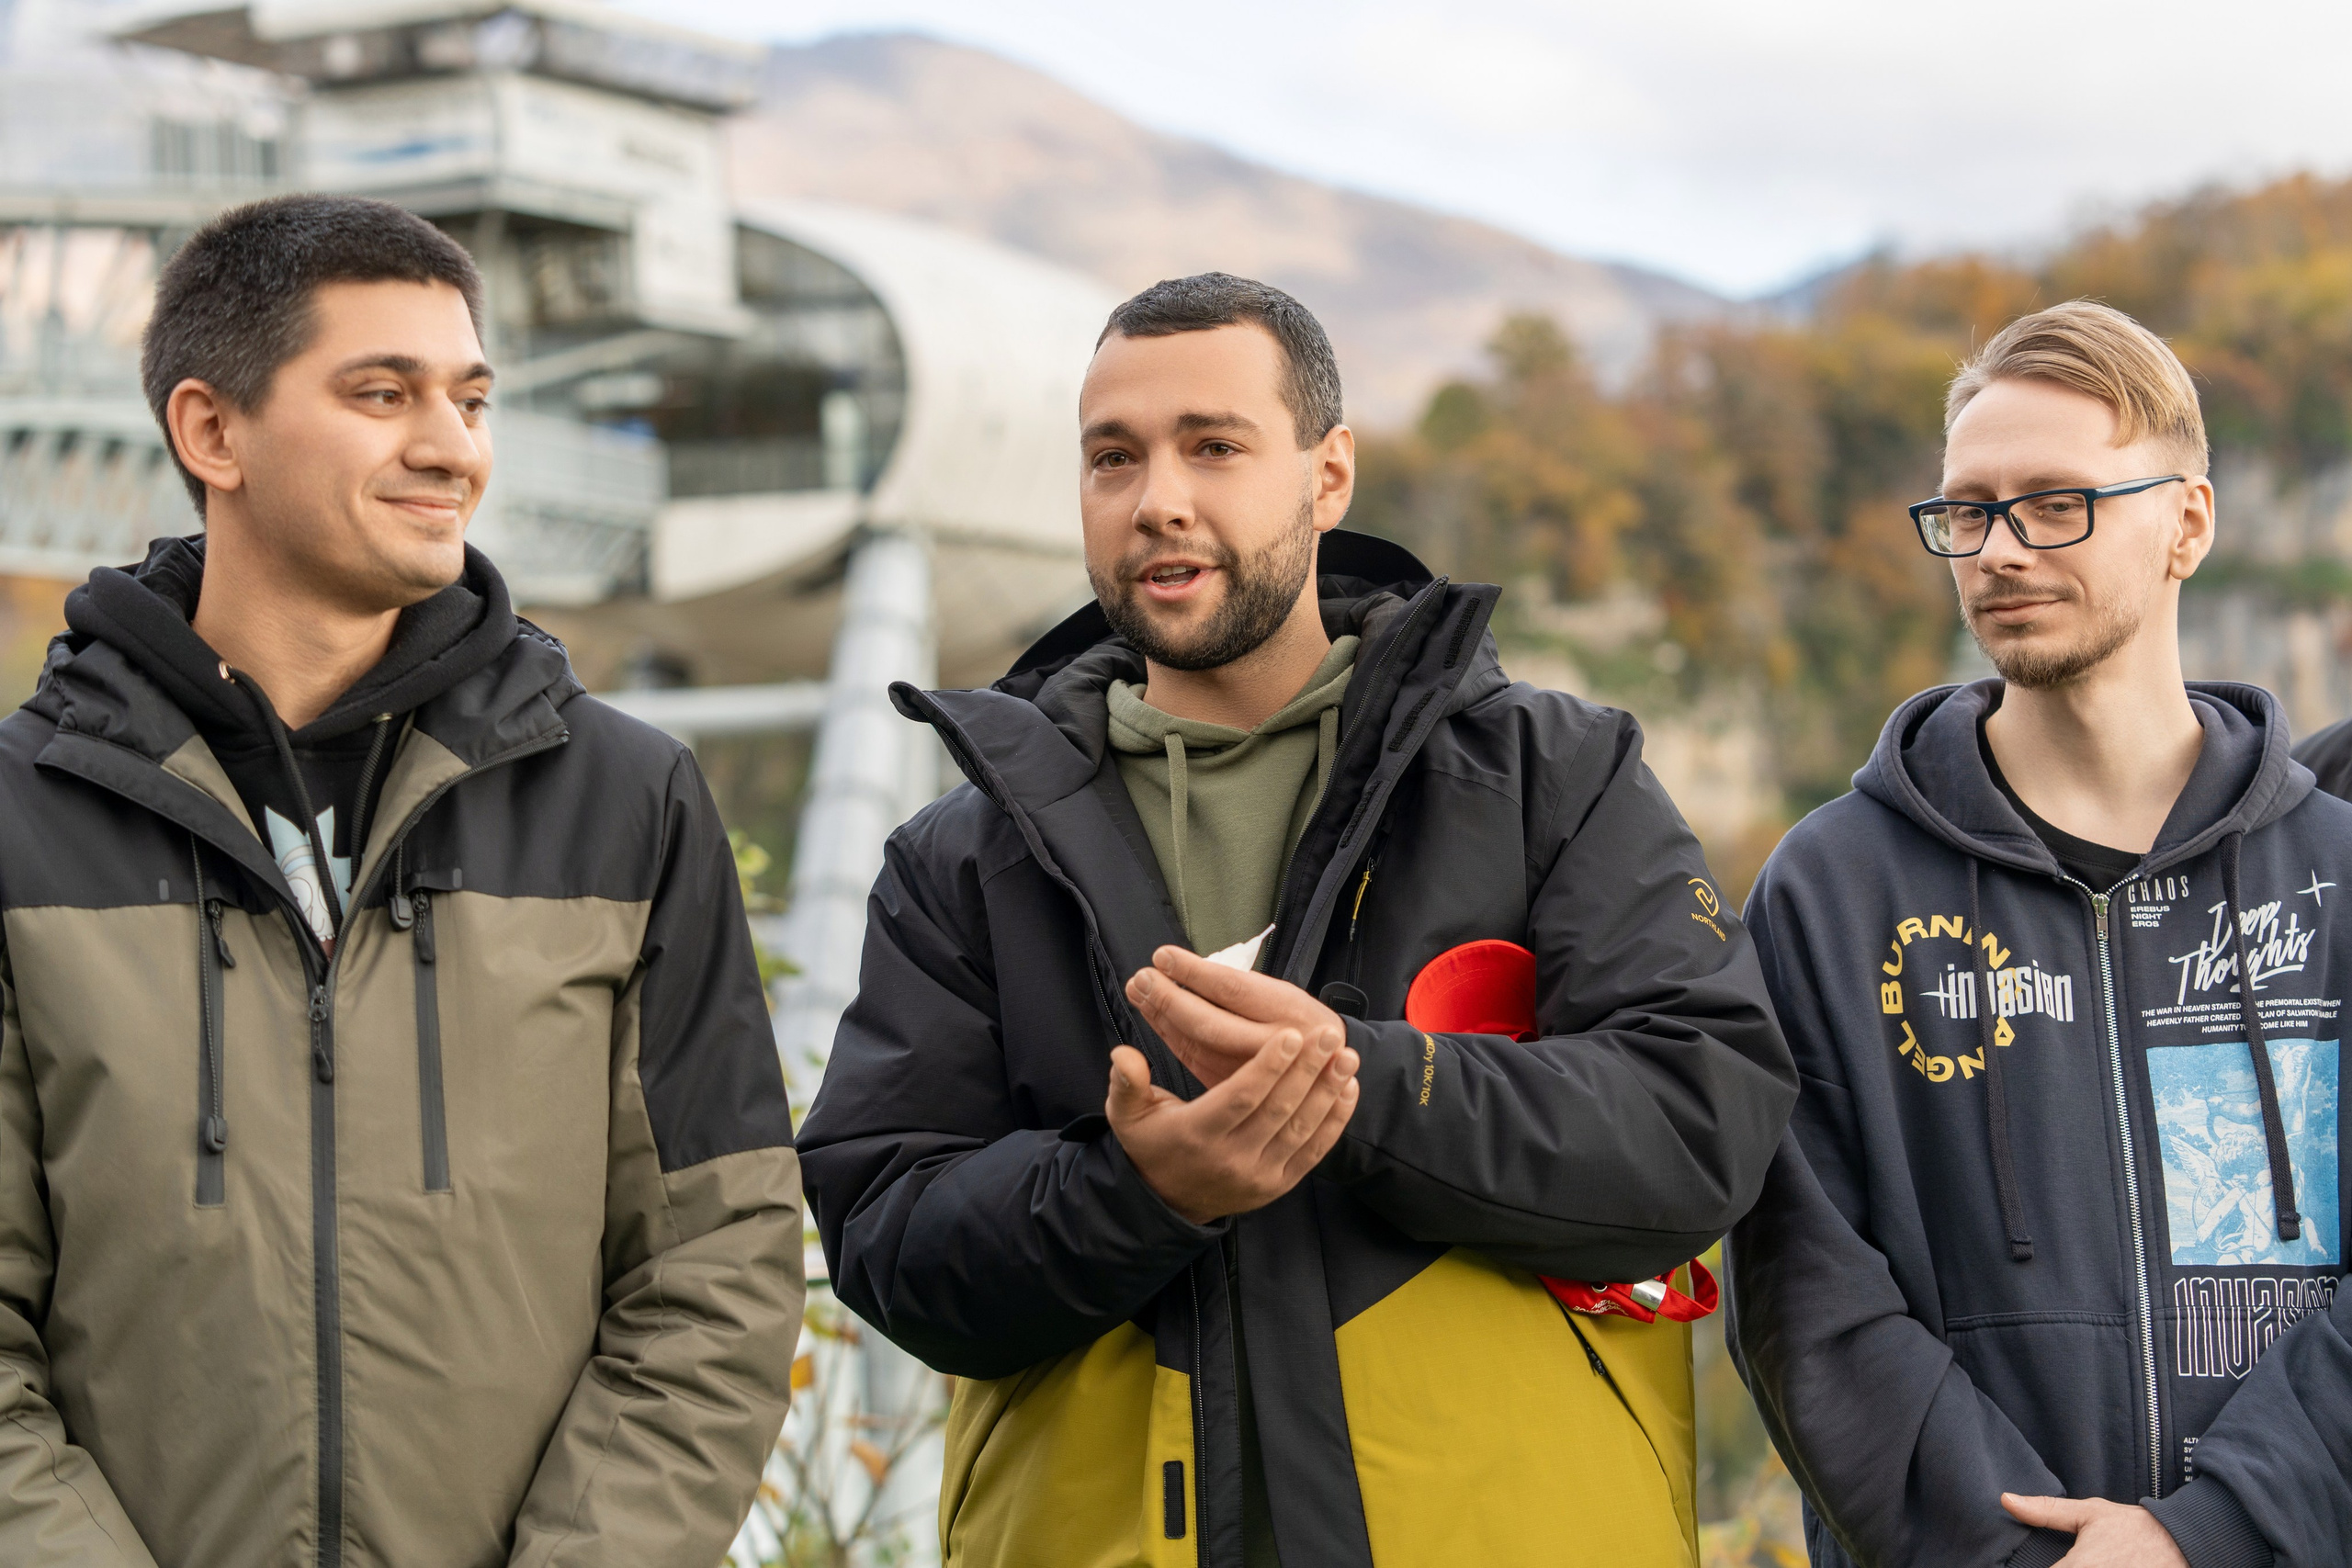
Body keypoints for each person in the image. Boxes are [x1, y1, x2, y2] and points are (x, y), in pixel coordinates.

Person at [796, 272, 1794, 1566]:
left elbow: (1701, 1125)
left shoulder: (1549, 776)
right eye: (1113, 457)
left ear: (1329, 477)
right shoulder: (964, 855)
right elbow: (888, 1239)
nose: (1158, 498)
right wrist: (1137, 1191)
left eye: (1213, 446)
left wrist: (1369, 1088)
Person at [0, 194, 806, 1564]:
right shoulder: (24, 817)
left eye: (471, 400)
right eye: (384, 394)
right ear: (212, 432)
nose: (453, 447)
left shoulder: (628, 801)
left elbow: (714, 1266)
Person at [1728, 300, 2352, 1568]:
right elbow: (1808, 1301)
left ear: (2188, 524)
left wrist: (2209, 1534)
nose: (2001, 550)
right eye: (1969, 511)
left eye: (2059, 503)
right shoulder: (1832, 890)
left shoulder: (2336, 875)